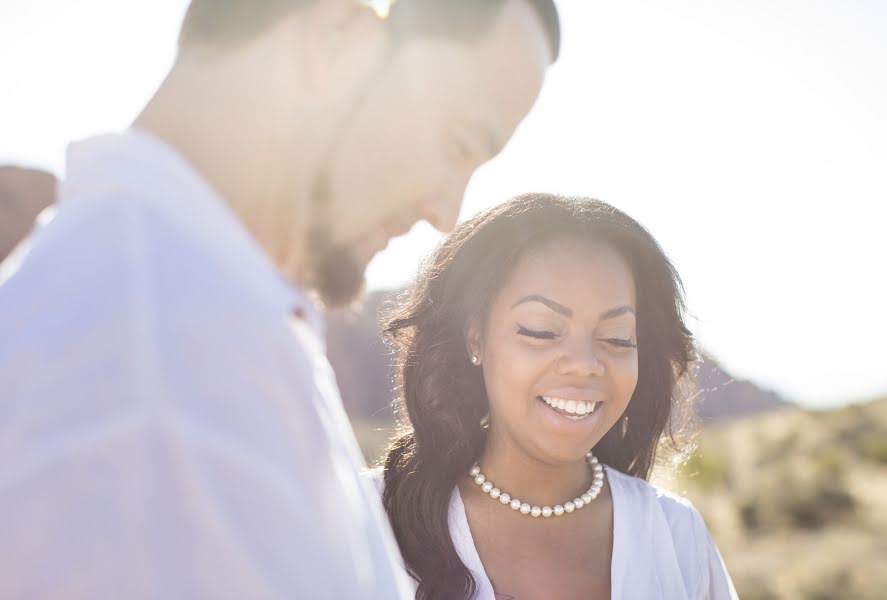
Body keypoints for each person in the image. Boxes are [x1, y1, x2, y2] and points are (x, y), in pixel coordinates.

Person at [0, 1, 559, 598]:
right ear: (336, 36)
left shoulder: (198, 313)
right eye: (457, 143)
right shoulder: (158, 366)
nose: (445, 212)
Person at [373, 194, 739, 599]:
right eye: (540, 330)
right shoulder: (363, 518)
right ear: (475, 337)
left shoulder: (675, 536)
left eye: (617, 338)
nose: (585, 364)